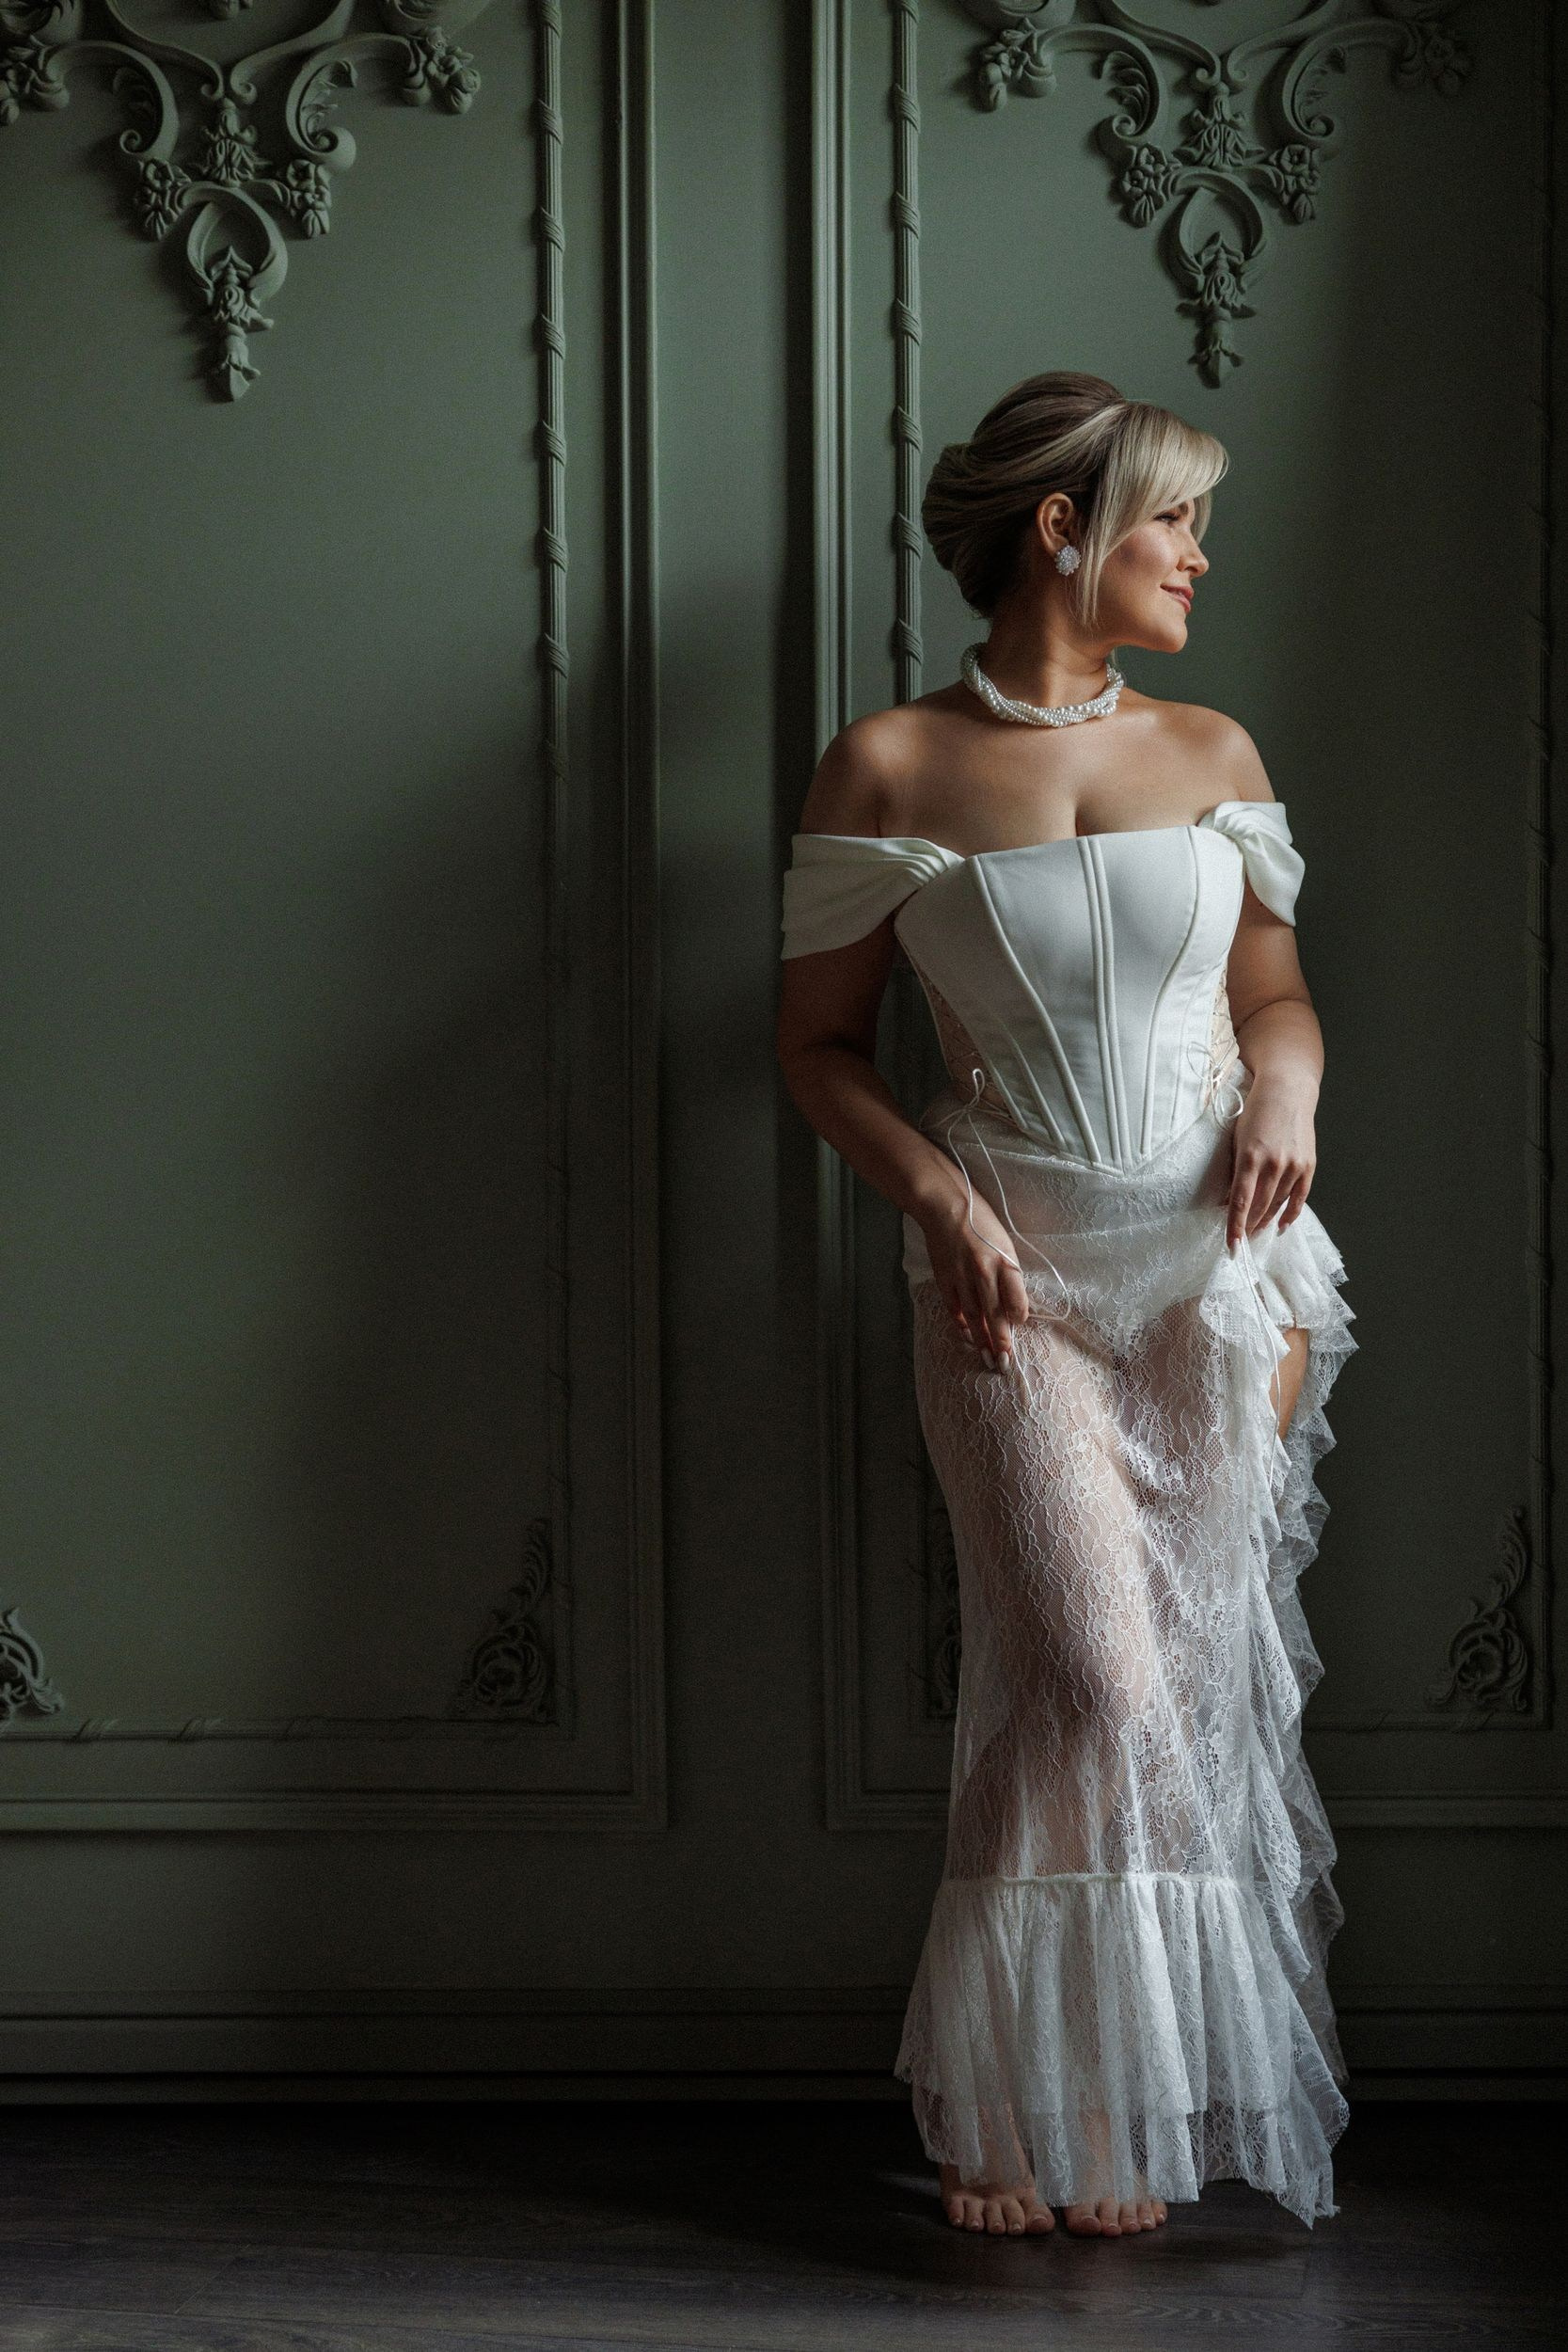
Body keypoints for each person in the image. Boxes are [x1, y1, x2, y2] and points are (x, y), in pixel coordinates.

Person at [776, 373, 1357, 2240]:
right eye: (1174, 518)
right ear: (1062, 528)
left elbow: (1275, 996)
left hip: (1217, 1276)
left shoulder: (1214, 745)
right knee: (1086, 1674)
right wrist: (938, 1195)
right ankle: (990, 2090)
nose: (1198, 555)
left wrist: (1289, 1090)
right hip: (1012, 1286)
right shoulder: (886, 764)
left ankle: (1093, 2104)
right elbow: (813, 1047)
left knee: (1165, 1686)